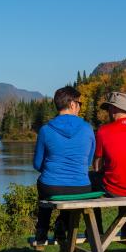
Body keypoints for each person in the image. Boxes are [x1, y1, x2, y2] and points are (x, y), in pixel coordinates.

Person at [33, 86, 95, 243]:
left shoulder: (45, 130)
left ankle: (42, 229)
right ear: (73, 104)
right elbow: (88, 162)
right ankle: (63, 223)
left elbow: (37, 164)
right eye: (79, 103)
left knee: (42, 182)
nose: (80, 107)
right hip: (81, 187)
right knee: (71, 190)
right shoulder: (88, 129)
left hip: (51, 186)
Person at [93, 91, 126, 236]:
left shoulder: (103, 131)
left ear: (114, 109)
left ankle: (95, 231)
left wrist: (99, 170)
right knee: (125, 174)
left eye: (108, 108)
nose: (108, 112)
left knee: (91, 180)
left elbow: (97, 164)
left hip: (115, 190)